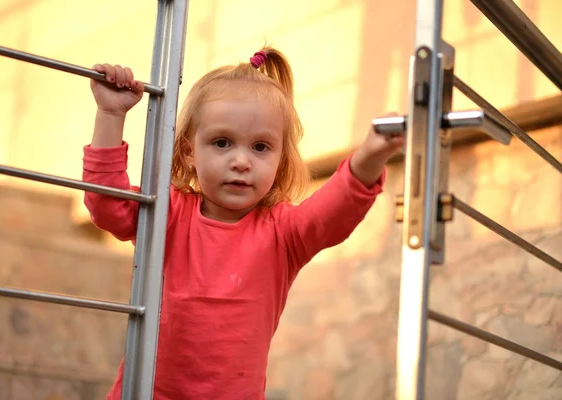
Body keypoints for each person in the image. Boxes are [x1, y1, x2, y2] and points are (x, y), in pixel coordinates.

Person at [82, 47, 404, 399]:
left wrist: (369, 157)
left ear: (280, 161)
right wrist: (110, 114)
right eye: (222, 143)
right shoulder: (169, 213)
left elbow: (332, 212)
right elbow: (106, 206)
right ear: (191, 152)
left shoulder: (283, 233)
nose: (240, 161)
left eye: (261, 147)